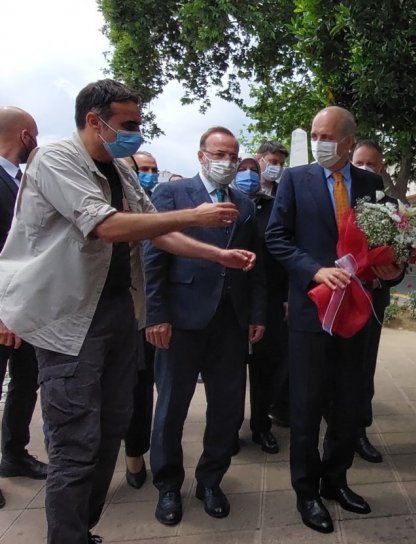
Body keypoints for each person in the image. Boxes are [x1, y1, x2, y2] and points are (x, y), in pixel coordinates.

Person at [0, 79, 255, 544]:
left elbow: (153, 232)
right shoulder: (55, 159)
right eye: (129, 124)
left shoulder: (120, 168)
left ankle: (83, 530)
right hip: (70, 318)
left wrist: (218, 255)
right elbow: (106, 225)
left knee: (111, 429)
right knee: (76, 443)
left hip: (118, 311)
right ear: (94, 121)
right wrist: (194, 216)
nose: (136, 132)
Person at [266, 106, 403, 534]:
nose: (318, 142)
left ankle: (335, 479)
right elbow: (276, 237)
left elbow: (387, 240)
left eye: (326, 136)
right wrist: (315, 270)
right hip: (312, 311)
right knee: (307, 405)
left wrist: (393, 269)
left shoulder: (370, 183)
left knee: (348, 403)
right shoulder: (295, 179)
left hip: (357, 310)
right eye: (314, 135)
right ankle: (306, 491)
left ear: (347, 140)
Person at [145, 127, 265, 526]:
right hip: (180, 319)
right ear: (201, 156)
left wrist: (257, 314)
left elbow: (255, 265)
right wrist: (156, 314)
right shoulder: (172, 194)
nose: (227, 162)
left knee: (228, 408)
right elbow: (153, 255)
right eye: (219, 154)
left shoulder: (244, 204)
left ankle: (211, 480)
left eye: (233, 155)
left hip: (230, 321)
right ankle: (167, 485)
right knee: (171, 407)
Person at [0, 107, 48, 507]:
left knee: (25, 382)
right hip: (4, 311)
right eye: (36, 135)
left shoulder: (22, 180)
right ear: (26, 135)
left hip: (29, 310)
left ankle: (14, 453)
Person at [350, 139, 402, 463]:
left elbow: (401, 256)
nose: (366, 169)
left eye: (373, 164)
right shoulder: (337, 197)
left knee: (363, 367)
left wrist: (393, 271)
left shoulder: (392, 207)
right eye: (360, 162)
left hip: (371, 299)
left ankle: (359, 430)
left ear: (381, 169)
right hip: (334, 295)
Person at [233, 155, 286, 454]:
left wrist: (287, 297)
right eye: (242, 169)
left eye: (254, 170)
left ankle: (261, 426)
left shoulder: (274, 207)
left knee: (266, 368)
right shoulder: (225, 205)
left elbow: (284, 251)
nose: (249, 175)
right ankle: (229, 427)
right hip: (232, 299)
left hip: (270, 299)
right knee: (230, 370)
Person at [122, 150, 160, 489]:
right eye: (141, 169)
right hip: (95, 316)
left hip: (142, 314)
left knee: (139, 387)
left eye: (151, 169)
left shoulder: (156, 207)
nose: (147, 174)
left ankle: (135, 453)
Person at [255, 141, 292, 428]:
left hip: (275, 290)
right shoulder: (240, 191)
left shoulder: (285, 196)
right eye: (271, 161)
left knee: (271, 357)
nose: (275, 167)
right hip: (243, 286)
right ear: (259, 159)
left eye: (280, 163)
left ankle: (267, 416)